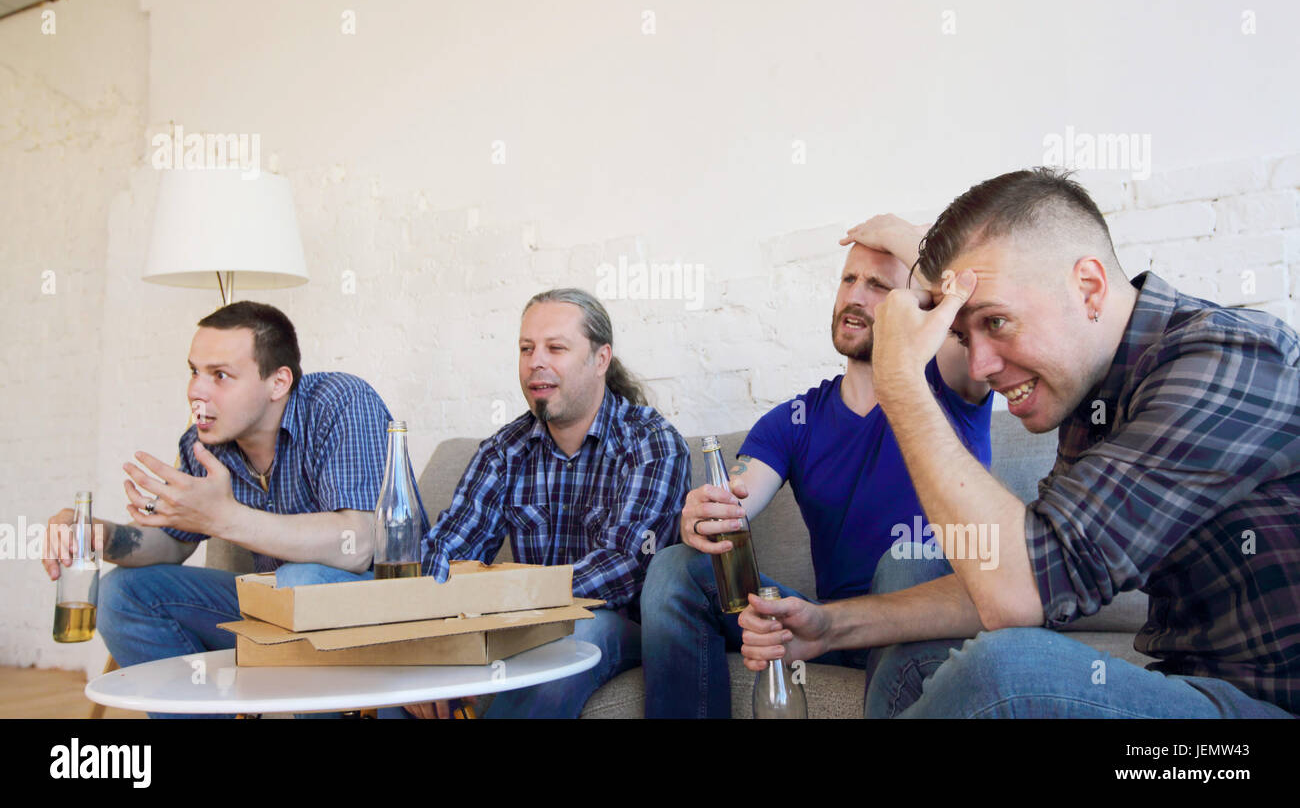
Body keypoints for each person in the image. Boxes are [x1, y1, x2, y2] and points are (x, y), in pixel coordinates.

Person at [739, 168, 1299, 718]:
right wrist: (830, 625)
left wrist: (901, 380)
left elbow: (1019, 591)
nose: (980, 365)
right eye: (964, 336)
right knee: (918, 587)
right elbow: (1029, 579)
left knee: (1010, 672)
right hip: (1186, 701)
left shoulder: (1230, 359)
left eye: (998, 323)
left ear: (1088, 288)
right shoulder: (1093, 403)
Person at [641, 221, 992, 718]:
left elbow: (971, 286)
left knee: (907, 559)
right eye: (849, 280)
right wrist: (709, 513)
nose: (855, 296)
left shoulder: (949, 381)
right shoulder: (795, 419)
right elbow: (741, 494)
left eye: (879, 287)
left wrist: (896, 231)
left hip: (927, 621)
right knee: (674, 566)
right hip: (827, 625)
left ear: (919, 306)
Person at [43, 302, 402, 714]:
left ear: (278, 382)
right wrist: (99, 536)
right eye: (194, 371)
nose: (197, 390)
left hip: (377, 611)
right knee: (121, 593)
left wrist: (227, 518)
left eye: (220, 375)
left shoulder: (339, 403)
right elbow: (172, 544)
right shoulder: (204, 443)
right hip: (276, 612)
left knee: (298, 583)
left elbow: (359, 543)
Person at [399, 288, 691, 719]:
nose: (536, 360)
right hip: (517, 625)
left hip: (616, 627)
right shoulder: (504, 451)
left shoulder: (651, 442)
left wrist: (515, 601)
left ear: (600, 359)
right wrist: (423, 642)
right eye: (526, 348)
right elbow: (444, 553)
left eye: (555, 347)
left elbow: (626, 565)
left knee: (581, 634)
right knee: (404, 686)